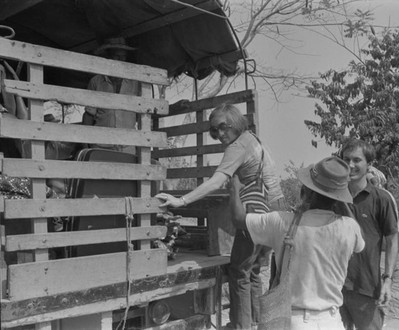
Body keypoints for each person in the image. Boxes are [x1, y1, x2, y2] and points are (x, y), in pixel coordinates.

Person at [156, 103, 283, 330]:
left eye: (223, 128)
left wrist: (181, 200)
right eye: (216, 131)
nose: (220, 135)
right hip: (272, 214)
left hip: (253, 215)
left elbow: (215, 182)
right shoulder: (253, 140)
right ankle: (256, 323)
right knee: (253, 272)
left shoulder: (238, 147)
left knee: (239, 272)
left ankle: (241, 326)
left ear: (234, 122)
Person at [229, 156, 365, 329]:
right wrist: (341, 200)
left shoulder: (282, 222)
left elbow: (238, 219)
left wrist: (234, 187)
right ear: (338, 196)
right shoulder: (349, 227)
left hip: (294, 320)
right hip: (332, 321)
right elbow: (361, 245)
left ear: (307, 191)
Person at [339, 139, 399, 330]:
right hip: (334, 287)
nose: (350, 165)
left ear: (369, 164)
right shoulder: (334, 198)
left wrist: (388, 280)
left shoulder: (381, 199)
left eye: (357, 160)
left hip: (366, 288)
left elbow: (392, 240)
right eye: (346, 159)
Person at [82, 37, 140, 154]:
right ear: (108, 57)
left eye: (123, 57)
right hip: (100, 145)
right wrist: (85, 145)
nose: (120, 61)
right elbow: (89, 115)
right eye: (116, 57)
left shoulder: (135, 83)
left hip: (127, 146)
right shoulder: (96, 81)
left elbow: (141, 116)